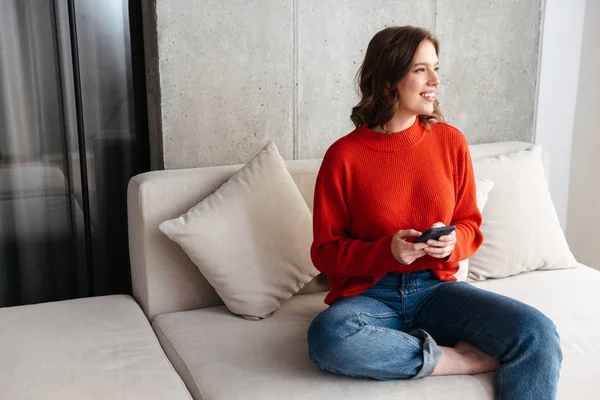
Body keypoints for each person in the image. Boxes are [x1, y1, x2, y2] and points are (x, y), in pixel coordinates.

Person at [307, 26, 562, 400]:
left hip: (436, 290)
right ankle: (457, 360)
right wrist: (386, 252)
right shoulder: (344, 156)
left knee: (536, 332)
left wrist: (452, 242)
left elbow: (470, 226)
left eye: (436, 68)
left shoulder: (450, 142)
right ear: (390, 81)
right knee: (329, 338)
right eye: (420, 70)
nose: (435, 81)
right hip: (370, 297)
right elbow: (325, 252)